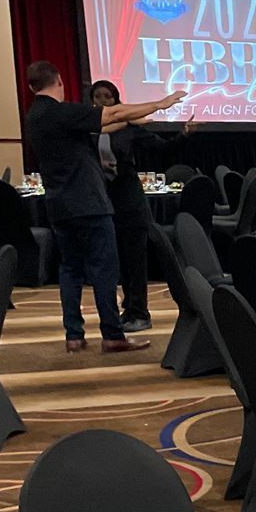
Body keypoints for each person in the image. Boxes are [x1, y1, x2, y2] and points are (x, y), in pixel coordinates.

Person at [21, 61, 182, 353]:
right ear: (59, 80)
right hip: (89, 203)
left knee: (69, 270)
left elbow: (109, 124)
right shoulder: (62, 111)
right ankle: (112, 334)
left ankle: (74, 335)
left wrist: (134, 120)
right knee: (104, 269)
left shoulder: (36, 116)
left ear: (32, 86)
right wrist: (160, 103)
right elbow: (115, 112)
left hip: (58, 205)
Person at [89, 79, 193, 333]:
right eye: (98, 97)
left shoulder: (131, 128)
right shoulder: (87, 129)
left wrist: (184, 134)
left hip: (128, 196)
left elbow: (162, 149)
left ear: (116, 100)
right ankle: (126, 309)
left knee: (134, 255)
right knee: (115, 257)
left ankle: (140, 312)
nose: (103, 101)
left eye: (108, 97)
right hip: (102, 198)